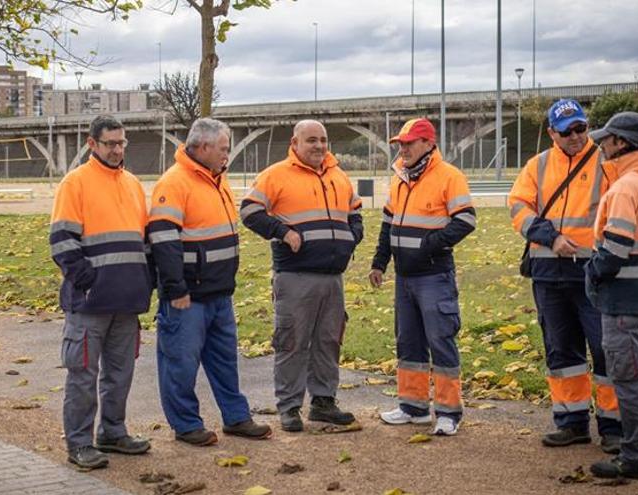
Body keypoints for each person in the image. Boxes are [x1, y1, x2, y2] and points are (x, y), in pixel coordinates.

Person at [147, 117, 271, 446]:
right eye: (223, 149)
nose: (226, 155)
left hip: (219, 293)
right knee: (180, 363)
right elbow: (163, 239)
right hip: (187, 297)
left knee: (225, 361)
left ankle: (236, 417)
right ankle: (186, 424)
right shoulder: (174, 183)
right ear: (202, 147)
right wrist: (175, 289)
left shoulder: (217, 179)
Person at [508, 99, 622, 452]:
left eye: (581, 128)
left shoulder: (607, 163)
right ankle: (571, 422)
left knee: (605, 350)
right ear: (551, 133)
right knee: (560, 351)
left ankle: (614, 427)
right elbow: (517, 206)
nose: (575, 136)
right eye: (567, 131)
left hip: (594, 272)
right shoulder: (537, 165)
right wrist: (550, 237)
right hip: (548, 271)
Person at [241, 120, 363, 432]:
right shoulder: (276, 174)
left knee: (328, 340)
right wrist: (283, 232)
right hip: (295, 275)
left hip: (333, 277)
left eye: (323, 140)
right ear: (295, 143)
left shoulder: (339, 175)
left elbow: (355, 212)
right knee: (292, 341)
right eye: (311, 140)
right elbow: (249, 212)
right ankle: (289, 406)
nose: (319, 146)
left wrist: (352, 236)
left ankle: (323, 402)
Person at [49, 115, 152, 469]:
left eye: (122, 143)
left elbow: (144, 242)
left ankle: (112, 432)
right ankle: (79, 442)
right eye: (110, 143)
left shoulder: (134, 185)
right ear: (92, 144)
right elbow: (62, 241)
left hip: (127, 301)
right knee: (83, 375)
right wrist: (88, 281)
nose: (117, 149)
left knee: (120, 374)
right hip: (90, 303)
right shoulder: (75, 183)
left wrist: (144, 282)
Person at [368, 118, 476, 436]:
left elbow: (466, 220)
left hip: (434, 276)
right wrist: (379, 263)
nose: (403, 148)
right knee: (409, 342)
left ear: (429, 144)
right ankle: (412, 407)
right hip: (404, 278)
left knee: (441, 341)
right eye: (400, 143)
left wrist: (430, 246)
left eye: (409, 143)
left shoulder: (449, 176)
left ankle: (448, 412)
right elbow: (388, 225)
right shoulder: (399, 177)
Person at [584, 112, 638, 479]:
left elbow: (615, 249)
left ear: (621, 143)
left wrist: (592, 273)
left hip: (622, 300)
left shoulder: (624, 189)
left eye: (606, 139)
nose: (601, 146)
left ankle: (635, 457)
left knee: (629, 379)